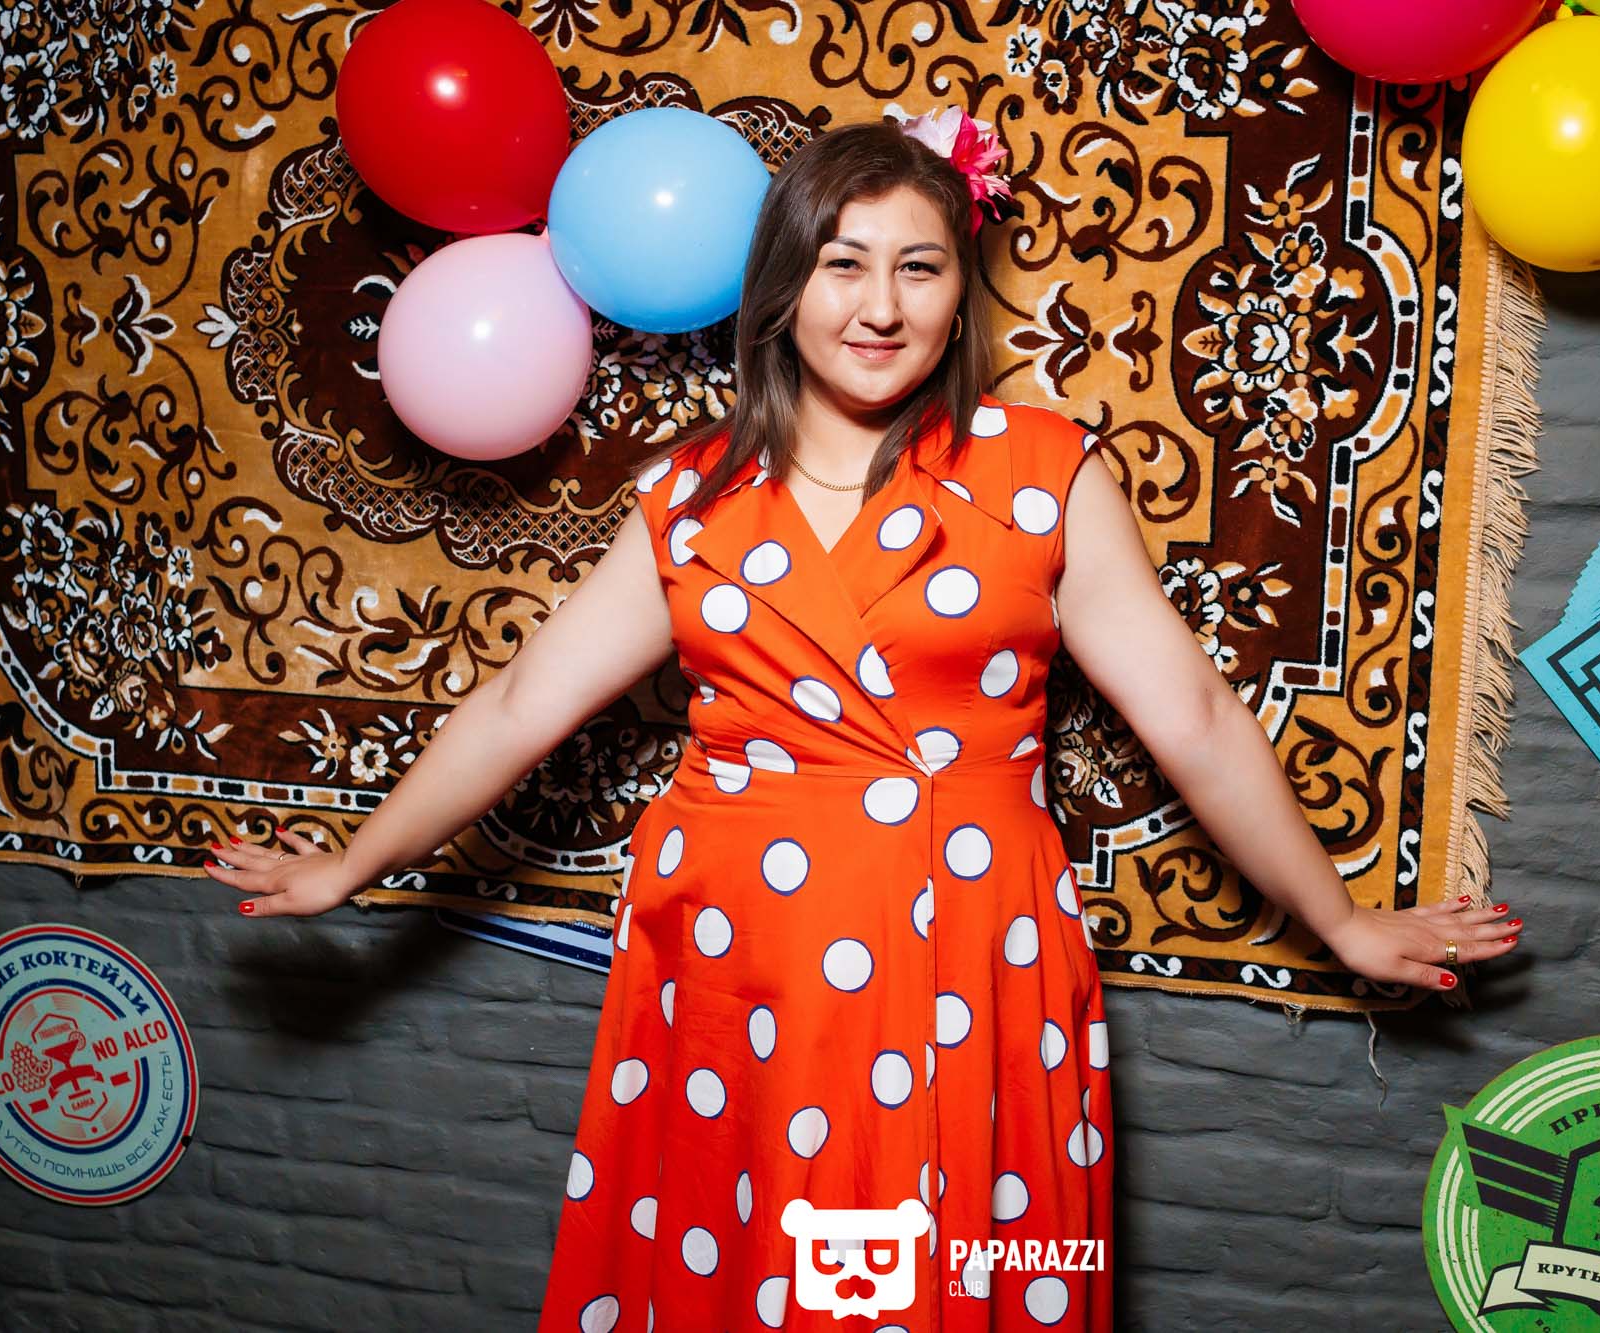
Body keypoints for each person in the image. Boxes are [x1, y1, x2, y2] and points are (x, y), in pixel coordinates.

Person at [203, 109, 1523, 1331]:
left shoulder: (1042, 470)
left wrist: (1342, 922)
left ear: (960, 291)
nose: (880, 306)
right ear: (785, 287)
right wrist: (351, 862)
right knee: (744, 1270)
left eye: (919, 267)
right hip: (739, 964)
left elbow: (1196, 716)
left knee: (936, 1276)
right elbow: (516, 706)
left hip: (970, 953)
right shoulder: (693, 498)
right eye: (843, 265)